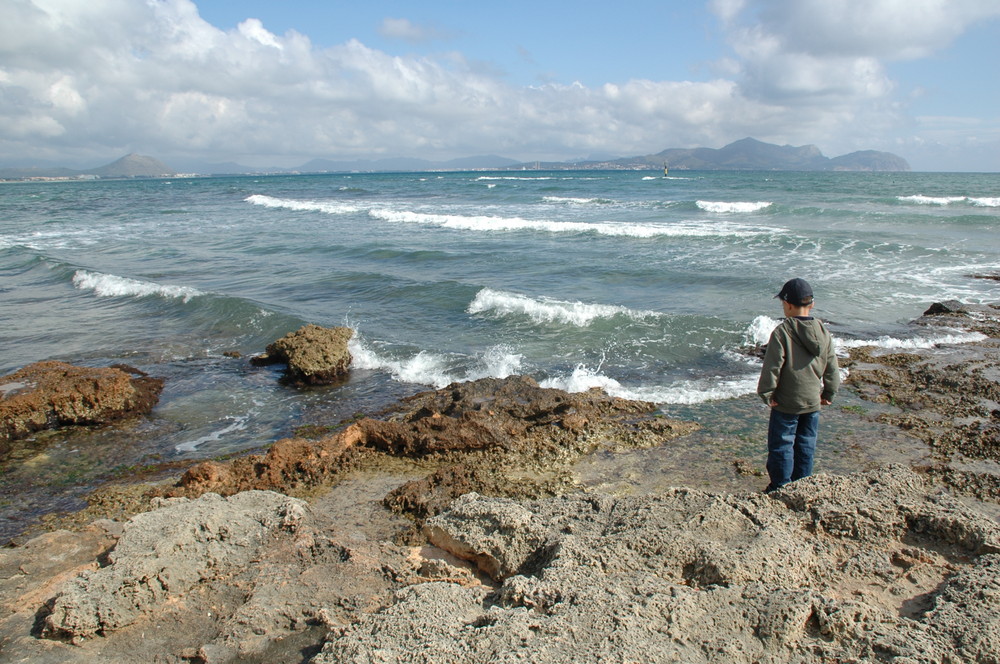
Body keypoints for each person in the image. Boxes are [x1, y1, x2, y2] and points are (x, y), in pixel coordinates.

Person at [756, 278, 840, 492]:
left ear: (788, 304)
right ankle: (803, 485)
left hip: (786, 402)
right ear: (811, 304)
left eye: (783, 304)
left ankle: (780, 486)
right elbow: (832, 365)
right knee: (806, 444)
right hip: (812, 401)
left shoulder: (783, 332)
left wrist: (767, 392)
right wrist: (829, 391)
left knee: (782, 444)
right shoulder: (823, 332)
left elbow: (773, 366)